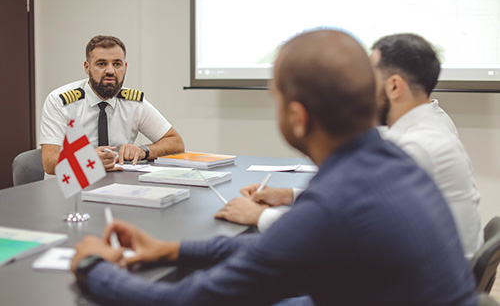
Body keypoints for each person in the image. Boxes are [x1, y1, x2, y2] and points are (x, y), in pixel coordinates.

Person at [70, 30, 477, 305]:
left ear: (297, 117)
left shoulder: (337, 204)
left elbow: (189, 299)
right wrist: (171, 249)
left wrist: (93, 266)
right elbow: (272, 246)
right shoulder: (385, 164)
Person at [218, 33, 483, 260]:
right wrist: (288, 195)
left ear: (393, 86)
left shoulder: (415, 147)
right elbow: (356, 201)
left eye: (368, 78)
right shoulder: (431, 124)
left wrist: (258, 216)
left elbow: (336, 225)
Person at [40, 35, 184, 174]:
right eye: (101, 64)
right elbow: (49, 163)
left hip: (119, 184)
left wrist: (143, 151)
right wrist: (86, 159)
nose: (110, 71)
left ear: (125, 67)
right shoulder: (60, 101)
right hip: (73, 185)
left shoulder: (133, 103)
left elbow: (175, 142)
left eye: (117, 64)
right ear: (87, 67)